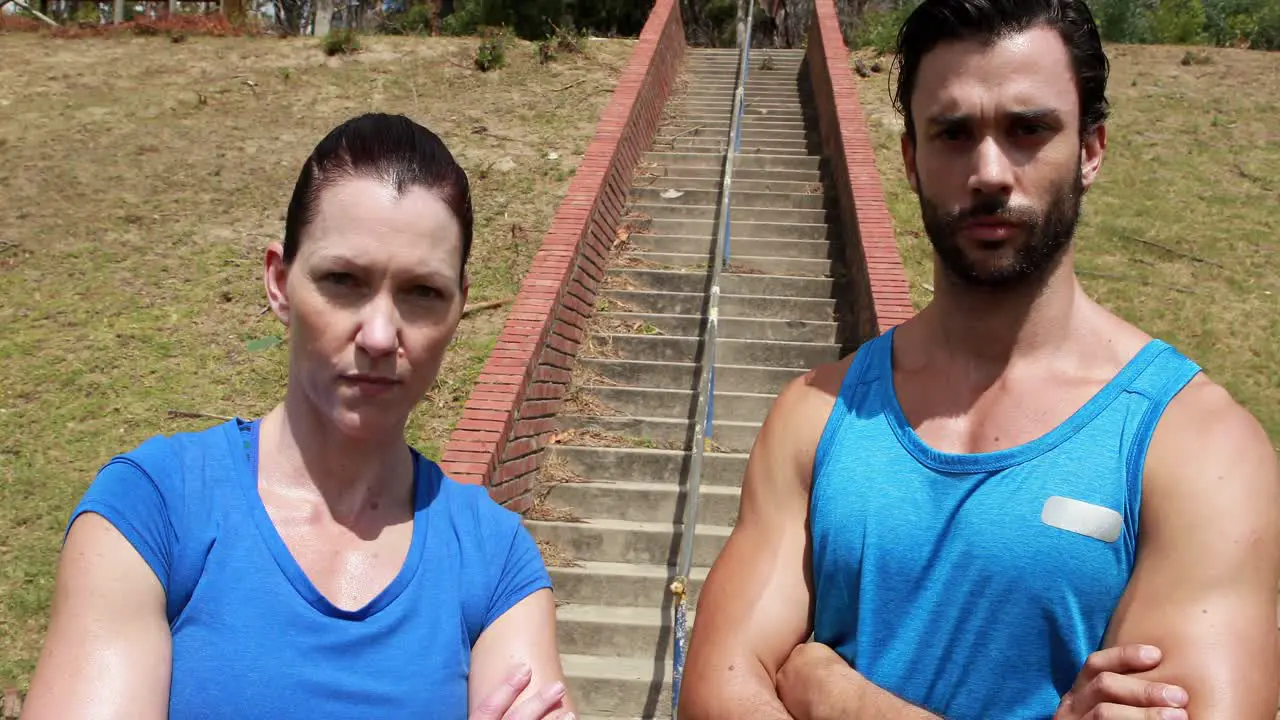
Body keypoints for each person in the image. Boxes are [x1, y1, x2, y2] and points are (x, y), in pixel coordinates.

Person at [678, 1, 1280, 719]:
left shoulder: (1197, 449)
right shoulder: (815, 417)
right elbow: (715, 695)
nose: (990, 171)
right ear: (910, 158)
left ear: (1091, 149)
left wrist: (835, 695)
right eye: (954, 133)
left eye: (1028, 129)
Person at [24, 113, 576, 720]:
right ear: (280, 283)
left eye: (424, 292)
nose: (380, 333)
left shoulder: (495, 562)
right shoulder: (156, 509)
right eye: (343, 280)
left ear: (460, 308)